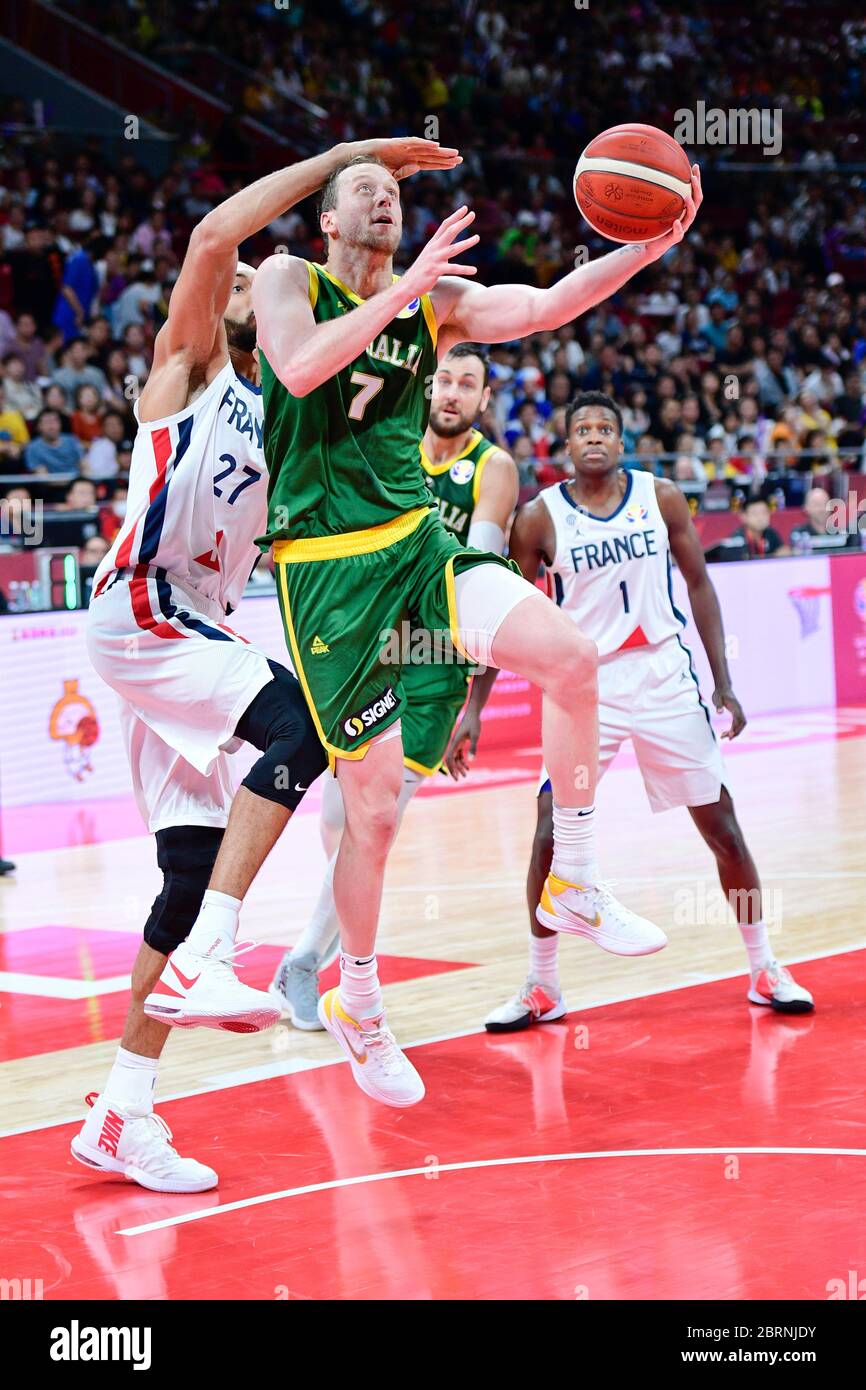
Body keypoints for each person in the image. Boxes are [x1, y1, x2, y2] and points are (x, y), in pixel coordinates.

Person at [174, 150, 703, 1110]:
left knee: (571, 658)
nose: (385, 199)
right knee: (371, 812)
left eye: (395, 192)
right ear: (329, 220)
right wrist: (408, 291)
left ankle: (574, 876)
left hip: (419, 544)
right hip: (328, 575)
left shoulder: (438, 300)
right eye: (364, 191)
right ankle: (359, 1002)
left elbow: (546, 304)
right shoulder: (294, 278)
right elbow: (296, 370)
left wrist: (647, 245)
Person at [73, 144, 450, 1194]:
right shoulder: (189, 368)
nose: (249, 275)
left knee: (183, 881)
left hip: (191, 638)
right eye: (243, 275)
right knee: (299, 730)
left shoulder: (295, 403)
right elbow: (212, 238)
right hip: (141, 610)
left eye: (257, 276)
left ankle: (122, 1109)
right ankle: (223, 944)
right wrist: (347, 161)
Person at [451, 393, 812, 1031]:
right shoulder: (538, 518)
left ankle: (764, 966)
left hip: (664, 676)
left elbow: (698, 582)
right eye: (582, 429)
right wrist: (474, 707)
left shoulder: (662, 496)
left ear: (622, 441)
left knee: (722, 827)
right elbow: (502, 613)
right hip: (586, 685)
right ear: (565, 446)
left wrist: (721, 681)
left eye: (605, 428)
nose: (594, 436)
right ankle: (542, 983)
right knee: (548, 832)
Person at [269, 342, 519, 1026]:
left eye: (469, 384)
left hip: (435, 658)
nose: (452, 393)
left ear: (484, 400)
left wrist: (475, 707)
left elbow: (482, 571)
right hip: (369, 638)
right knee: (339, 816)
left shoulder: (492, 469)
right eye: (445, 380)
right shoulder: (393, 440)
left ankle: (302, 962)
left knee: (376, 820)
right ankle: (338, 943)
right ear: (427, 384)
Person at [22, 408, 83, 474]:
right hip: (50, 483)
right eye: (47, 422)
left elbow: (84, 465)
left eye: (55, 421)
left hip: (77, 482)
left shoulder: (72, 440)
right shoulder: (33, 448)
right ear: (39, 426)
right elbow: (42, 476)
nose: (52, 426)